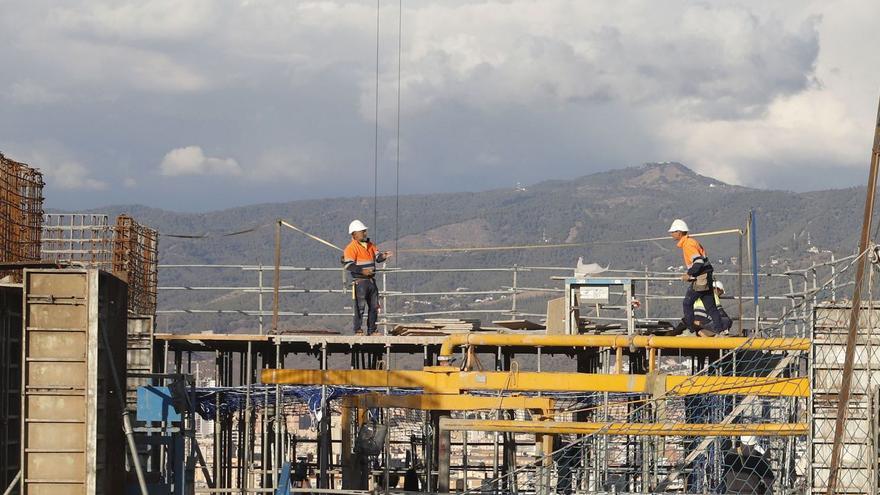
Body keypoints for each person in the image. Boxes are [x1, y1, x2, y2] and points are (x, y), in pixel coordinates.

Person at [669, 219, 723, 337]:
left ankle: (691, 330)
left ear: (679, 232)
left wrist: (689, 274)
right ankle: (721, 331)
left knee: (687, 303)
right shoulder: (692, 242)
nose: (671, 234)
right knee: (711, 307)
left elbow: (698, 262)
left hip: (701, 278)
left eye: (673, 232)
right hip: (706, 277)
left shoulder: (688, 244)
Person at [342, 220, 392, 335]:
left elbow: (377, 257)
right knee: (360, 307)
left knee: (374, 307)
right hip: (360, 282)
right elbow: (348, 265)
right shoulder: (351, 248)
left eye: (365, 231)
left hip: (370, 281)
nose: (365, 233)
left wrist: (383, 256)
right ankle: (358, 330)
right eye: (362, 231)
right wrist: (362, 271)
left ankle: (372, 330)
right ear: (354, 234)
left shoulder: (370, 245)